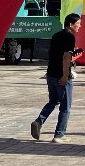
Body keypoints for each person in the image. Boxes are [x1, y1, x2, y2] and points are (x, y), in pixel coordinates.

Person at [31, 13, 81, 143]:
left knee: (53, 100)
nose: (79, 26)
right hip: (61, 75)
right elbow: (66, 57)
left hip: (51, 73)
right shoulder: (69, 37)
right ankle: (59, 135)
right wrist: (65, 75)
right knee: (65, 106)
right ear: (71, 24)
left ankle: (39, 121)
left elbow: (54, 55)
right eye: (78, 23)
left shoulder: (56, 35)